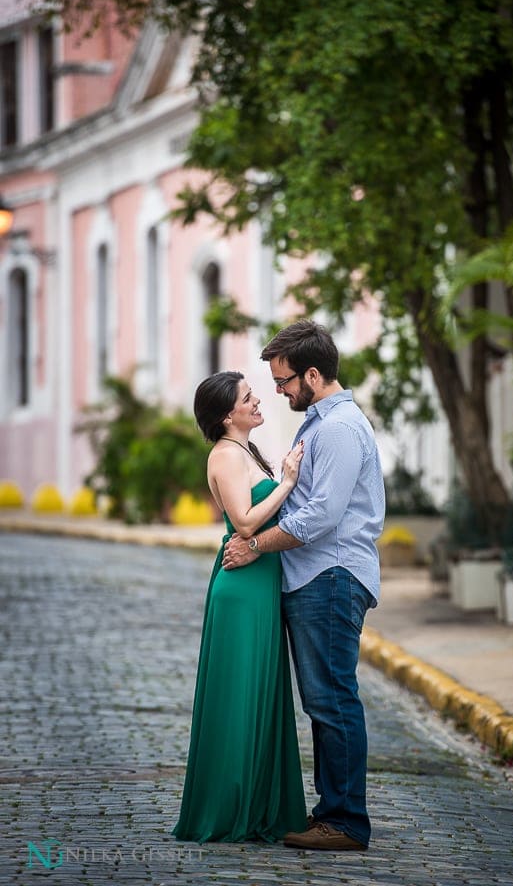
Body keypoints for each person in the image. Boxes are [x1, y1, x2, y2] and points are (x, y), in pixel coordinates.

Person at [223, 321, 385, 851]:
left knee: (332, 700)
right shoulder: (319, 422)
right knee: (322, 701)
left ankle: (345, 822)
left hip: (331, 576)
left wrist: (255, 545)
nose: (279, 391)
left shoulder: (337, 428)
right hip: (316, 577)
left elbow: (320, 517)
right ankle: (331, 813)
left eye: (285, 380)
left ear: (313, 374)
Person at [172, 370, 307, 843]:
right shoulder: (226, 456)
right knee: (239, 697)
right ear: (228, 415)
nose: (258, 401)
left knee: (262, 693)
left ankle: (260, 802)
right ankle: (231, 809)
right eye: (248, 397)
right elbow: (245, 524)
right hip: (242, 590)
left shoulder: (245, 451)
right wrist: (288, 482)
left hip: (260, 584)